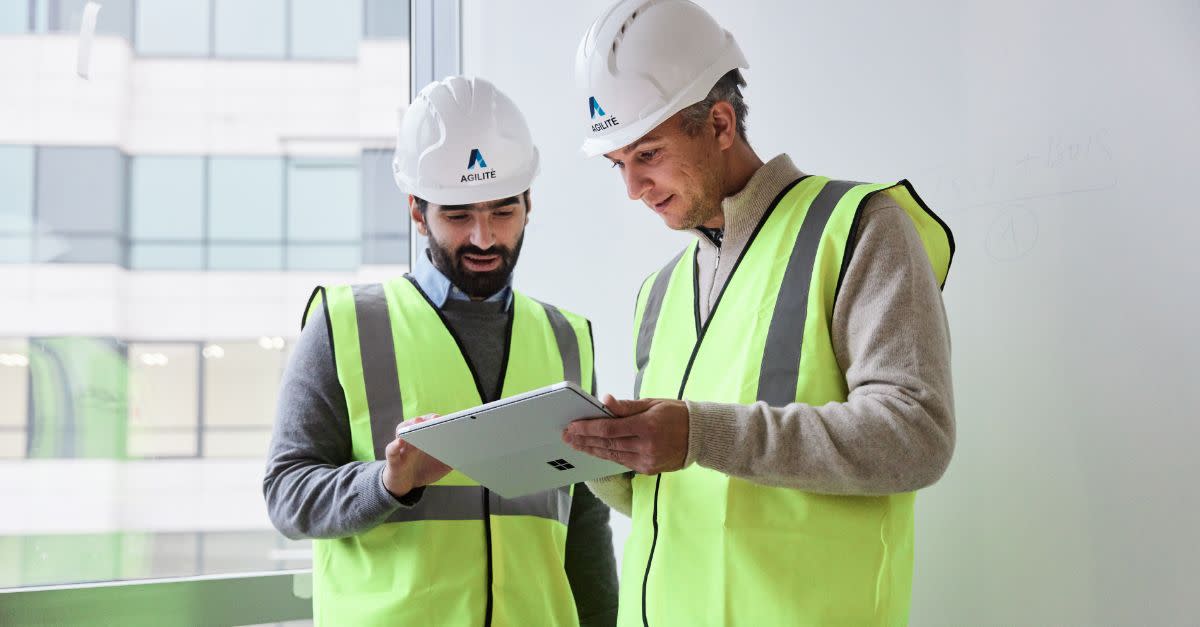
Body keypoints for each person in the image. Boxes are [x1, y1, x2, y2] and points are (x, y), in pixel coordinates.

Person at [563, 1, 956, 625]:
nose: (633, 189)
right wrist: (606, 460)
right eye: (619, 165)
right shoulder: (660, 292)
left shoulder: (859, 228)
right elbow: (691, 494)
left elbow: (915, 438)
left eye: (648, 155)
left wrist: (698, 433)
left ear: (719, 124)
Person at [264, 76, 618, 627]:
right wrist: (388, 483)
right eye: (458, 216)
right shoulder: (344, 325)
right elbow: (287, 494)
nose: (483, 238)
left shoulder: (566, 337)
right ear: (416, 209)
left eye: (503, 212)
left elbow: (586, 528)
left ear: (529, 203)